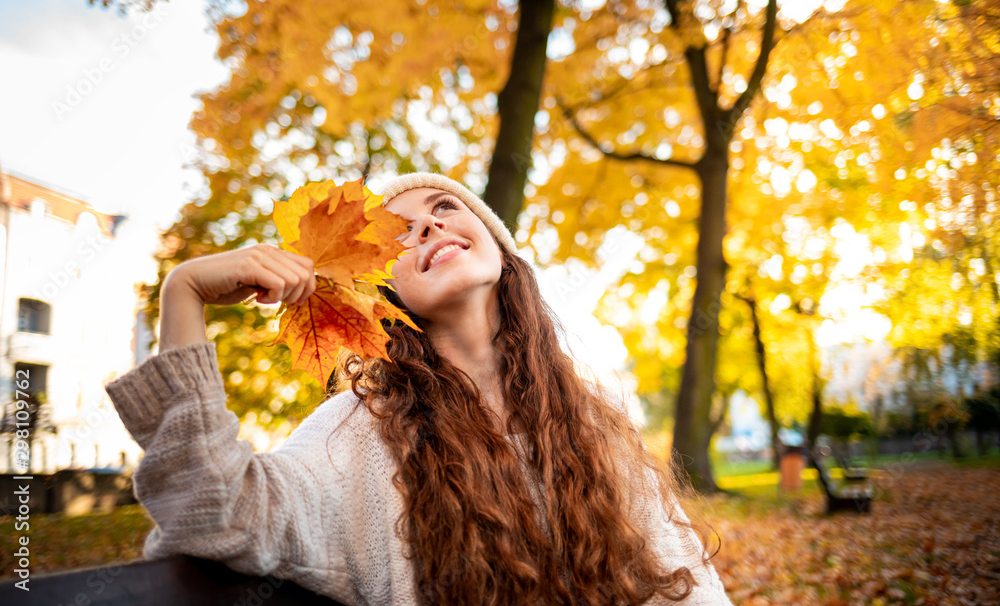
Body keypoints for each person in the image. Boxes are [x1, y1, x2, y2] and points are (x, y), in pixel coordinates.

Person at [106, 171, 733, 605]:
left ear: (502, 254)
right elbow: (214, 512)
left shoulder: (590, 421)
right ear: (385, 295)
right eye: (399, 232)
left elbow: (687, 582)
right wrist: (182, 291)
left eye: (444, 209)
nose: (429, 228)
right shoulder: (357, 432)